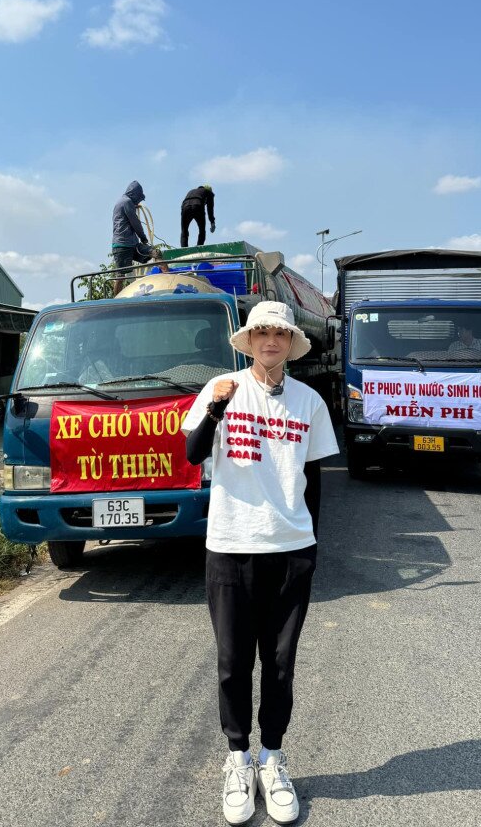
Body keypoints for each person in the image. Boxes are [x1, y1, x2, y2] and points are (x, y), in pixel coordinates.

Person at [183, 301, 339, 825]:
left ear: (290, 344)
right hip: (229, 546)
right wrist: (215, 409)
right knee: (232, 663)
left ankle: (272, 759)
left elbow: (314, 479)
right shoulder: (221, 389)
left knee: (280, 664)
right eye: (261, 333)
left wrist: (311, 544)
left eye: (278, 334)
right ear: (248, 341)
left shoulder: (309, 402)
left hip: (290, 550)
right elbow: (192, 453)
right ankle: (237, 759)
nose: (270, 342)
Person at [112, 181, 152, 293]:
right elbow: (135, 223)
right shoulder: (127, 202)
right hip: (123, 245)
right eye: (139, 198)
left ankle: (166, 277)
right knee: (120, 276)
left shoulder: (123, 201)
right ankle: (116, 301)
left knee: (155, 253)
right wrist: (143, 237)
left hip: (132, 244)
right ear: (134, 194)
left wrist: (134, 206)